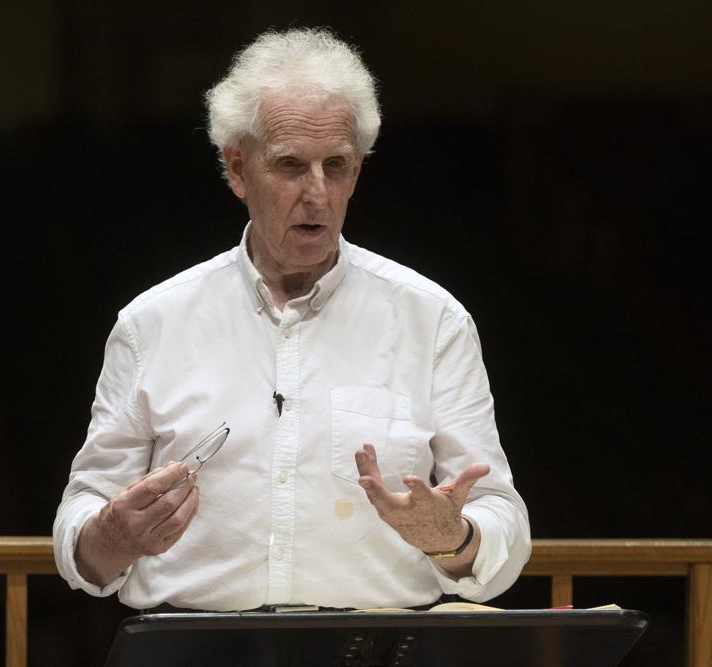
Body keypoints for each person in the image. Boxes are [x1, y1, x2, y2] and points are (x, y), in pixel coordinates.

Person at [53, 27, 530, 612]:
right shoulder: (152, 323)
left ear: (357, 172)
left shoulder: (434, 321)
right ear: (236, 169)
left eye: (337, 166)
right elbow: (80, 528)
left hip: (372, 648)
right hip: (195, 649)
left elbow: (502, 523)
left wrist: (453, 539)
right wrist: (112, 535)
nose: (317, 193)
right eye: (289, 165)